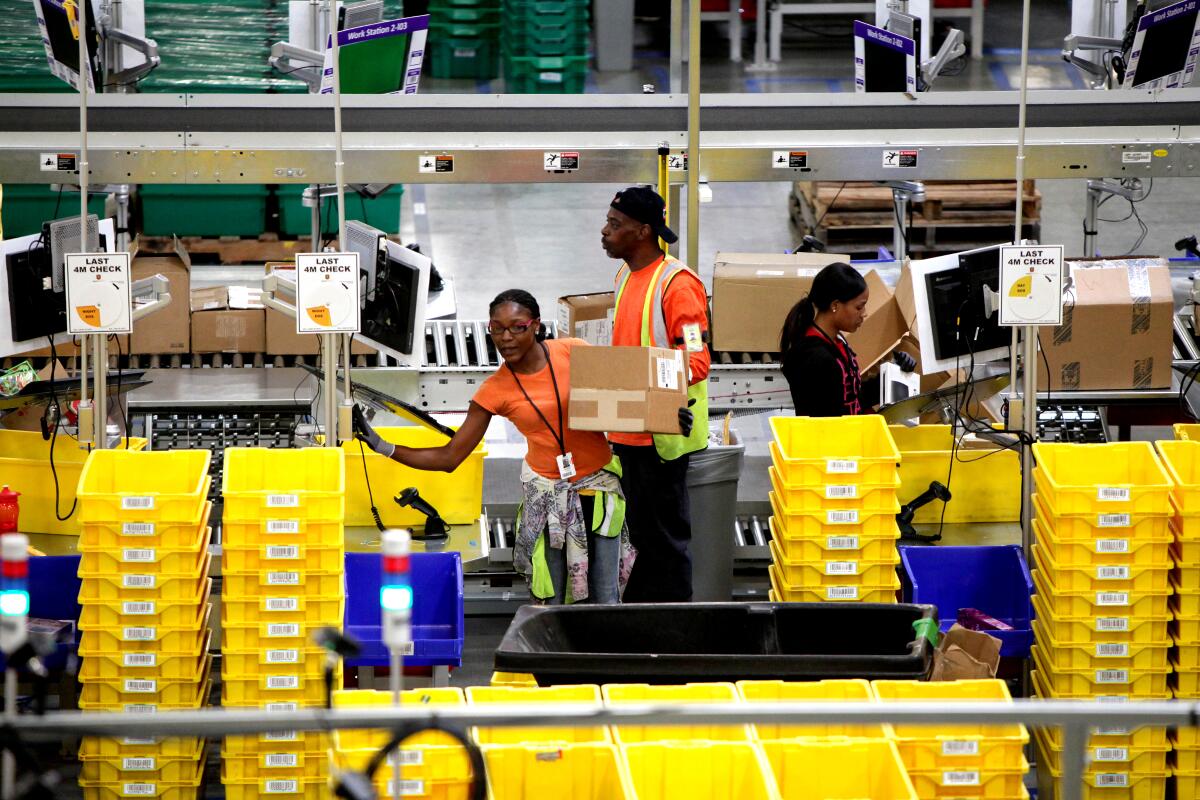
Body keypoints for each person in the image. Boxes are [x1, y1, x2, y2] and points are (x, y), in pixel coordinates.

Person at [354, 289, 634, 605]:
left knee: (606, 595)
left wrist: (668, 415)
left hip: (599, 493)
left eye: (517, 327)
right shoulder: (495, 391)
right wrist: (384, 446)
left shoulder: (573, 351)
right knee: (554, 598)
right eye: (496, 329)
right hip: (549, 501)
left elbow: (625, 398)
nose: (506, 338)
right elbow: (450, 456)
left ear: (536, 325)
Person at [601, 186, 708, 603]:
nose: (605, 232)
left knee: (665, 544)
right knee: (641, 541)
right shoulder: (625, 275)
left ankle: (675, 634)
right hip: (628, 432)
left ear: (643, 231)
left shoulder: (677, 286)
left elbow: (696, 361)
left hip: (661, 438)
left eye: (615, 225)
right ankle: (643, 627)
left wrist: (645, 388)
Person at [779, 262, 914, 417]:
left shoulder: (836, 340)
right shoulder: (813, 358)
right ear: (835, 305)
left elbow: (852, 396)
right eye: (859, 307)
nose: (864, 313)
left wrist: (894, 373)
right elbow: (830, 419)